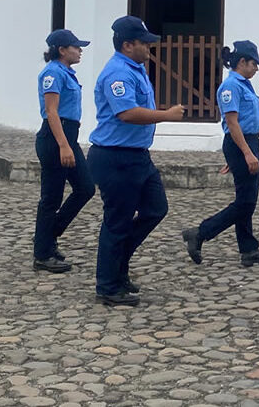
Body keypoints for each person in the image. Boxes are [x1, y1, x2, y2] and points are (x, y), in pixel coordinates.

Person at [89, 16, 185, 306]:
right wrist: (167, 115)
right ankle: (108, 285)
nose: (149, 48)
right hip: (115, 156)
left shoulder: (136, 68)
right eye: (144, 43)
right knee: (117, 222)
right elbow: (127, 113)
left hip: (137, 156)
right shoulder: (118, 73)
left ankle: (117, 266)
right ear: (128, 45)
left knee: (156, 209)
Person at [182, 41, 259, 269]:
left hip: (247, 143)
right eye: (254, 64)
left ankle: (249, 249)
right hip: (242, 144)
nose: (257, 69)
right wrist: (244, 153)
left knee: (247, 199)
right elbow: (232, 123)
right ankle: (200, 232)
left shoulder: (244, 84)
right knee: (245, 202)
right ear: (242, 62)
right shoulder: (230, 87)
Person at [33, 29, 96, 274]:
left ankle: (47, 235)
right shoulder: (53, 73)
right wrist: (63, 145)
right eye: (76, 46)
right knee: (51, 197)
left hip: (68, 135)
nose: (80, 50)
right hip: (55, 138)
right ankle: (42, 253)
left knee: (86, 187)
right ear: (62, 49)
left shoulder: (66, 72)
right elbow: (51, 111)